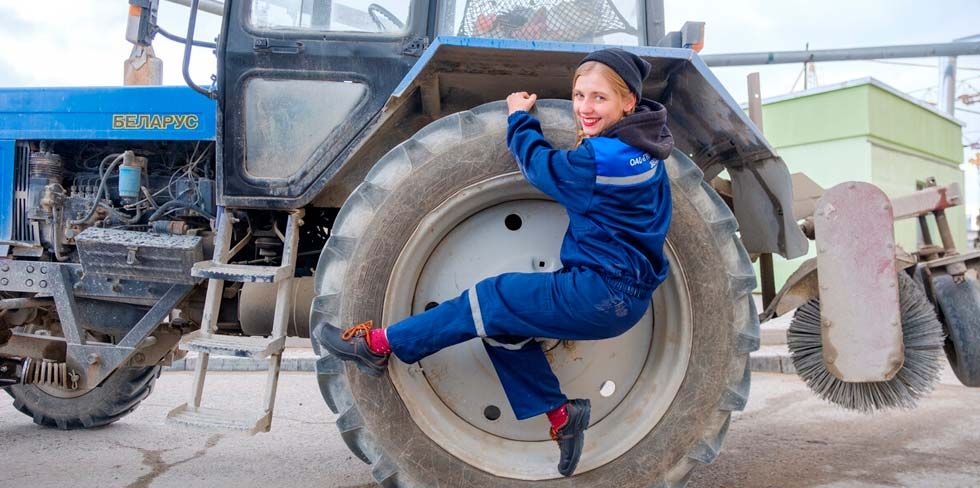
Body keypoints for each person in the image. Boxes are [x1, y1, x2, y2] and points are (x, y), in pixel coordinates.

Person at [314, 47, 674, 478]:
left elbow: (539, 168)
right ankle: (561, 415)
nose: (584, 108)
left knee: (489, 298)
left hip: (600, 293)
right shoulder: (645, 151)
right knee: (501, 329)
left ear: (628, 102)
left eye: (598, 98)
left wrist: (520, 118)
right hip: (613, 292)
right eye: (579, 95)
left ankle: (378, 346)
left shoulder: (604, 159)